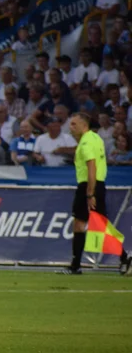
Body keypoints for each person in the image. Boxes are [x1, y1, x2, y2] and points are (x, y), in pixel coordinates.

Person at [60, 113, 130, 276]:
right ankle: (77, 264)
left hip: (89, 185)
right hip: (97, 184)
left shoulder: (85, 143)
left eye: (74, 124)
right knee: (95, 223)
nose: (71, 128)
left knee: (85, 223)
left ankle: (77, 266)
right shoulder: (95, 138)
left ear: (84, 125)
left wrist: (90, 194)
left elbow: (92, 167)